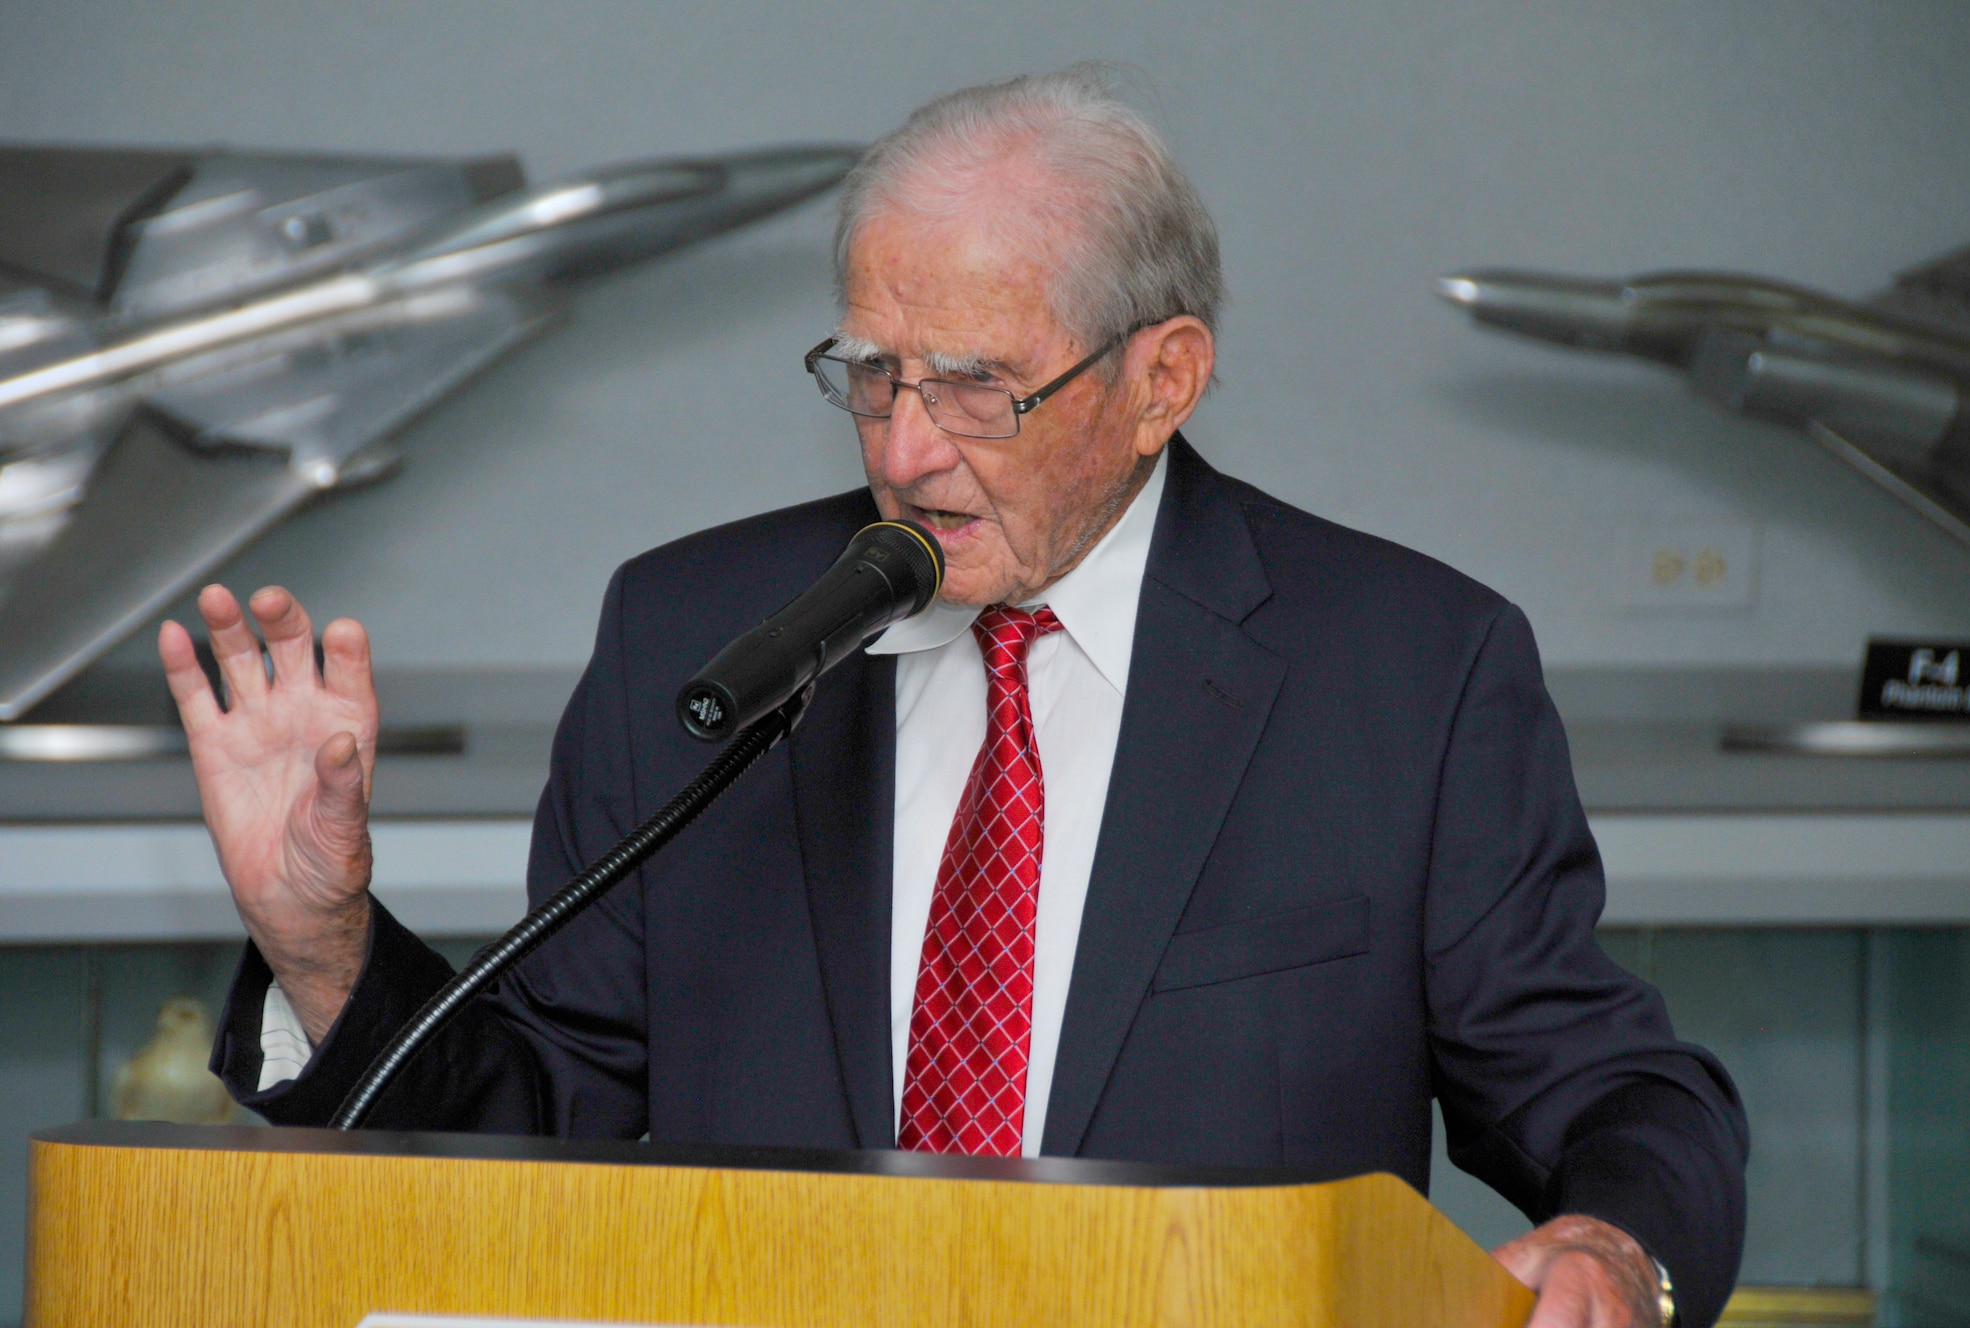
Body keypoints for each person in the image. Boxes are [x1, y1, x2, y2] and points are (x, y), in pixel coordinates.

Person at [165, 67, 1746, 1328]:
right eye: (873, 373)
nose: (909, 448)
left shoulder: (1408, 667)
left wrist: (1619, 1244)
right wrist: (322, 940)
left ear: (1163, 380)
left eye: (981, 382)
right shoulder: (695, 635)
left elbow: (1610, 1086)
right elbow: (538, 1124)